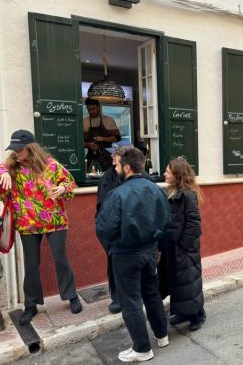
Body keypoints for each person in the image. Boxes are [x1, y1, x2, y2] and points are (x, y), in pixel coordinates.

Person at [0, 130, 82, 325]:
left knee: (60, 259)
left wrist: (63, 188)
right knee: (31, 264)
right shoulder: (11, 168)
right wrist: (1, 171)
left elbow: (70, 182)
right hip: (27, 224)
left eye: (19, 150)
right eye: (14, 150)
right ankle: (31, 305)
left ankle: (72, 296)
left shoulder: (51, 166)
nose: (16, 153)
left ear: (30, 149)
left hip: (54, 221)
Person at [96, 148, 170, 362]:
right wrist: (158, 248)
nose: (116, 168)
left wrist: (114, 245)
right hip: (149, 251)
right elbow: (166, 223)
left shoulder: (117, 194)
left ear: (127, 167)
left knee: (131, 301)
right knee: (151, 293)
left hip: (126, 254)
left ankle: (142, 348)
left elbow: (104, 228)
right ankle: (161, 334)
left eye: (118, 165)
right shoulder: (156, 190)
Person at [162, 157, 206, 331]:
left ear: (177, 174)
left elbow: (194, 223)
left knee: (190, 283)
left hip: (185, 249)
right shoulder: (171, 192)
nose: (164, 173)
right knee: (178, 283)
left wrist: (184, 246)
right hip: (173, 247)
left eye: (168, 171)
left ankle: (198, 315)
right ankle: (182, 312)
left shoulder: (188, 195)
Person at [95, 142, 134, 314]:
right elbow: (102, 206)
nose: (111, 158)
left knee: (132, 263)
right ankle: (117, 296)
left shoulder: (137, 176)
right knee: (114, 262)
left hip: (131, 230)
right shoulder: (107, 177)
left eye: (115, 155)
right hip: (110, 231)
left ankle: (132, 294)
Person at [83, 97, 121, 172]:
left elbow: (117, 138)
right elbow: (79, 143)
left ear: (98, 106)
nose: (91, 112)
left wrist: (103, 139)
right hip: (91, 159)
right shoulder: (84, 122)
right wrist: (88, 145)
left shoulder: (109, 120)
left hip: (108, 159)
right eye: (89, 109)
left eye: (93, 108)